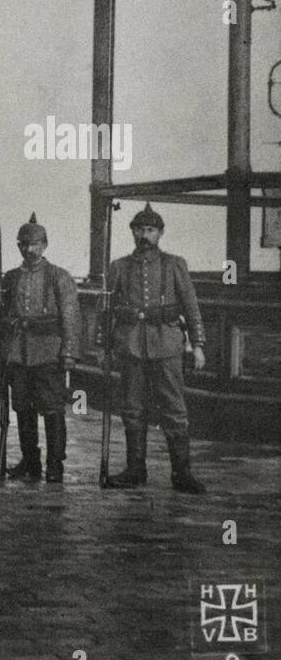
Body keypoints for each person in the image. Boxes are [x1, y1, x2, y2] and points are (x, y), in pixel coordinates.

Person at [104, 203, 207, 493]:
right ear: (132, 232)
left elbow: (191, 306)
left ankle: (181, 474)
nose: (144, 235)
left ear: (160, 233)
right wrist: (105, 347)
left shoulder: (175, 264)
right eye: (139, 229)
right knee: (132, 408)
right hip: (131, 346)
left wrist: (197, 344)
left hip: (167, 345)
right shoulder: (119, 267)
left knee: (174, 408)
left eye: (150, 230)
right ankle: (135, 469)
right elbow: (107, 310)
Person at [0, 213, 81, 482]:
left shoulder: (58, 277)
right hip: (17, 354)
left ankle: (55, 464)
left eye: (35, 244)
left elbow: (71, 316)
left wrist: (70, 353)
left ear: (45, 245)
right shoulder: (11, 278)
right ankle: (30, 462)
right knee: (23, 409)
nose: (29, 250)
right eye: (23, 245)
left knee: (52, 410)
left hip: (48, 353)